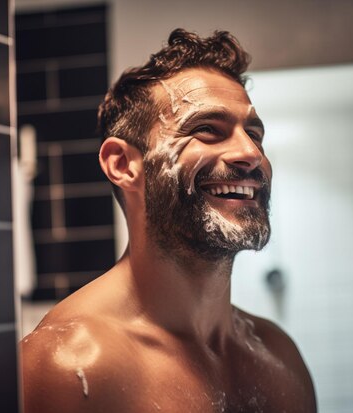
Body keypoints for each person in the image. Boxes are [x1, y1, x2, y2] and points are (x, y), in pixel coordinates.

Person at [20, 28, 316, 413]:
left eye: (255, 135)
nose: (251, 153)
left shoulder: (279, 354)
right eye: (207, 130)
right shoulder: (68, 366)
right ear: (123, 165)